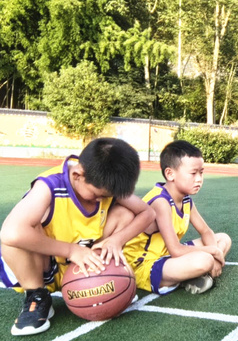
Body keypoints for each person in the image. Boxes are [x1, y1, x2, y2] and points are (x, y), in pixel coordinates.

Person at [0, 137, 155, 336]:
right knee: (20, 232)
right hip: (44, 265)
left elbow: (147, 213)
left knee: (124, 214)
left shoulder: (105, 181)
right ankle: (37, 296)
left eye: (107, 196)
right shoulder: (50, 186)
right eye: (98, 195)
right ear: (77, 175)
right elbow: (11, 232)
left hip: (84, 263)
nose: (101, 200)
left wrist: (117, 240)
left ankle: (104, 277)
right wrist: (72, 250)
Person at [123, 140, 231, 296]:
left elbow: (206, 231)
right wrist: (213, 252)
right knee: (204, 260)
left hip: (167, 255)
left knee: (223, 238)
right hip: (144, 264)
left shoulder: (186, 200)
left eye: (201, 172)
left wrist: (215, 256)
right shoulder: (161, 201)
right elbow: (176, 250)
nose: (199, 179)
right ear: (170, 174)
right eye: (193, 173)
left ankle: (191, 275)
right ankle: (191, 275)